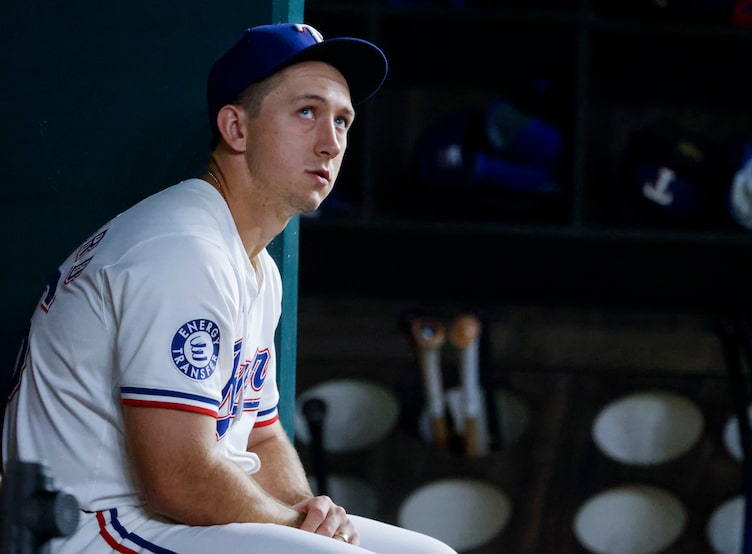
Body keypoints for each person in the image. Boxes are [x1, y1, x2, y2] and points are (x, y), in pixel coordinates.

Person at [2, 22, 458, 554]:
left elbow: (260, 437)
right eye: (306, 112)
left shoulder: (254, 265)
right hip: (86, 526)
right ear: (236, 129)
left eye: (342, 120)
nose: (331, 142)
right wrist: (296, 531)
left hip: (157, 520)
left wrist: (308, 512)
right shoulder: (181, 248)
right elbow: (180, 480)